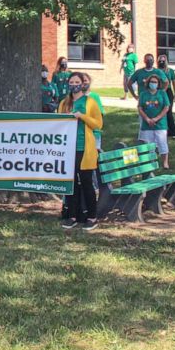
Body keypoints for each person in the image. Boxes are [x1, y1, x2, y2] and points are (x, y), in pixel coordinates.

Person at [58, 72, 103, 231]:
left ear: (82, 84)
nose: (74, 84)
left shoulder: (90, 102)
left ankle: (92, 216)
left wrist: (82, 116)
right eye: (72, 82)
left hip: (85, 148)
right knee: (71, 185)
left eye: (77, 81)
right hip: (68, 149)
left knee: (86, 183)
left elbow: (98, 124)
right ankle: (72, 215)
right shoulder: (64, 103)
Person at [137, 74, 171, 169]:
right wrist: (147, 119)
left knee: (162, 142)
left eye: (155, 82)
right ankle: (151, 163)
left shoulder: (162, 93)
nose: (153, 84)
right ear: (148, 83)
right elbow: (140, 107)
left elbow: (166, 107)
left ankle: (165, 163)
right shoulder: (143, 94)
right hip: (147, 124)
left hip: (160, 124)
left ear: (158, 84)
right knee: (149, 144)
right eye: (152, 82)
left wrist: (156, 118)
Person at [157, 53, 175, 138]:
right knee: (160, 111)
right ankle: (162, 130)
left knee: (169, 112)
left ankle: (172, 132)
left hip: (168, 92)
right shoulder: (157, 71)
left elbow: (174, 83)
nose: (162, 62)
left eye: (163, 60)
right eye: (160, 61)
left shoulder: (170, 71)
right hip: (159, 91)